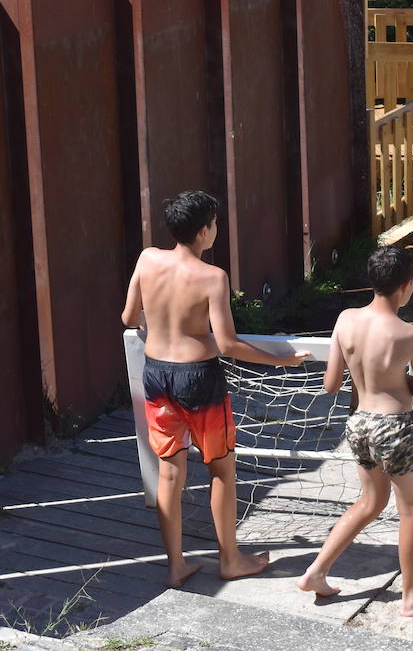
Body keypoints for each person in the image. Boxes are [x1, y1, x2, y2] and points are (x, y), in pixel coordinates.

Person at [121, 190, 309, 588]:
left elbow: (128, 316)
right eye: (216, 224)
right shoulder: (212, 277)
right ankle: (230, 559)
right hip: (198, 380)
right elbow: (228, 343)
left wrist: (165, 326)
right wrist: (283, 361)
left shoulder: (147, 259)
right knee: (222, 469)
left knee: (169, 473)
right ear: (205, 230)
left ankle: (175, 566)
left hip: (157, 374)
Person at [297, 245, 413, 617]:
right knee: (412, 509)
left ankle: (316, 572)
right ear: (406, 286)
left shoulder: (346, 319)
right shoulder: (408, 334)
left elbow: (331, 384)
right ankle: (412, 599)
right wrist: (402, 379)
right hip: (395, 426)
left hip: (359, 424)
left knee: (370, 501)